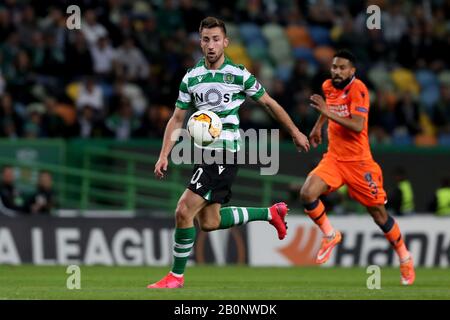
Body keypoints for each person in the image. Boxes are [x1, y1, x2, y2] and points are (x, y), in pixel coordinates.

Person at [148, 17, 310, 289]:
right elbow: (177, 119)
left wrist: (294, 131)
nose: (210, 45)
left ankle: (175, 277)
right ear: (200, 42)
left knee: (183, 210)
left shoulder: (239, 74)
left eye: (215, 39)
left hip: (225, 152)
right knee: (209, 222)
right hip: (204, 154)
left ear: (225, 42)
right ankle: (271, 213)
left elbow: (269, 103)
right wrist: (164, 154)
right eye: (205, 39)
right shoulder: (192, 77)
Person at [300, 50, 415, 285]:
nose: (337, 71)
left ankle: (404, 256)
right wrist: (317, 127)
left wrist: (326, 112)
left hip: (359, 163)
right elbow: (329, 107)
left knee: (379, 215)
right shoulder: (328, 86)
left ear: (352, 71)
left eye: (342, 68)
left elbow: (357, 125)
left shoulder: (358, 90)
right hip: (334, 158)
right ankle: (330, 235)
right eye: (334, 67)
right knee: (307, 193)